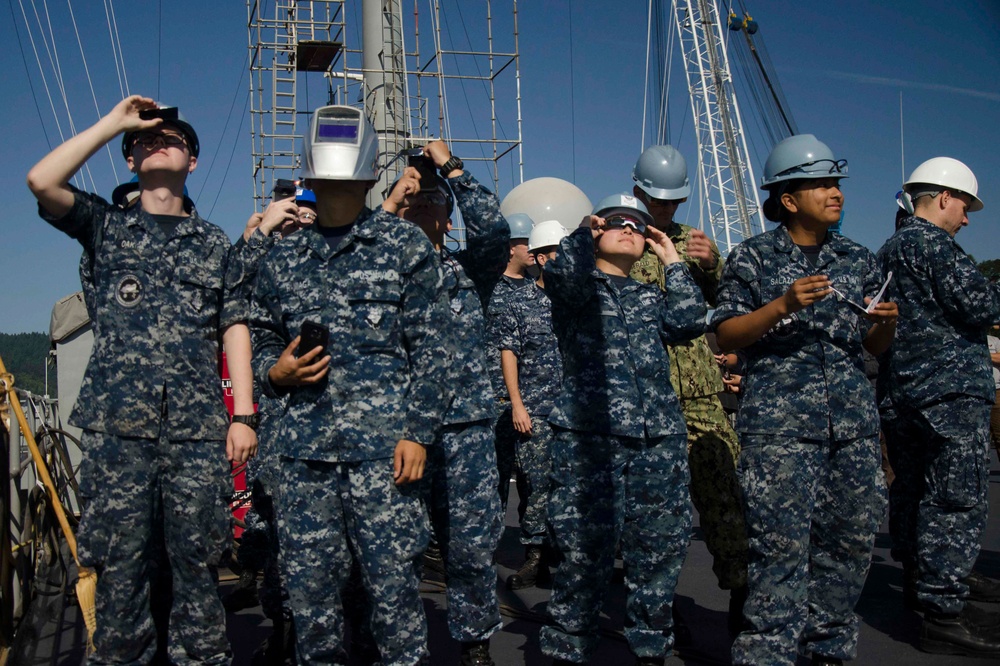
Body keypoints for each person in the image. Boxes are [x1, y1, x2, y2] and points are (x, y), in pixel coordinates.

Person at [26, 96, 258, 664]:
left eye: (173, 138)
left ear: (192, 162)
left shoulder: (215, 245)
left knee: (198, 566)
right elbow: (41, 180)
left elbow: (235, 327)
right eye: (146, 141)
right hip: (118, 433)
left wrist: (244, 415)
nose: (159, 142)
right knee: (121, 567)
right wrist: (113, 124)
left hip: (196, 431)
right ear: (130, 161)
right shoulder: (106, 229)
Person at [249, 105, 452, 665]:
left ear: (368, 177)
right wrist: (274, 372)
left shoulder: (404, 247)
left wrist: (418, 432)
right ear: (310, 176)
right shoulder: (281, 259)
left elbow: (434, 350)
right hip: (303, 460)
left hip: (384, 457)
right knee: (312, 605)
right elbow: (262, 336)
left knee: (394, 598)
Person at [712, 134, 896, 666]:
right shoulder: (754, 255)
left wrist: (884, 327)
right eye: (820, 184)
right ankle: (766, 653)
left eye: (836, 183)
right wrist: (783, 304)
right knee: (779, 553)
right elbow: (724, 334)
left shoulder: (856, 258)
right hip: (781, 431)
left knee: (849, 547)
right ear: (789, 199)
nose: (834, 192)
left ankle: (828, 652)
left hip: (853, 431)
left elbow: (870, 346)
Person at [540, 194, 706, 666]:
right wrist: (581, 233)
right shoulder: (577, 291)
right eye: (617, 222)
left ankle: (650, 650)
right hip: (590, 441)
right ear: (596, 232)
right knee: (583, 556)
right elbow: (558, 274)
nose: (630, 229)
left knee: (658, 553)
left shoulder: (652, 298)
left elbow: (690, 320)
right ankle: (567, 651)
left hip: (657, 442)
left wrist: (673, 260)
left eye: (638, 225)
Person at [877, 156, 1000, 657]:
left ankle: (920, 580)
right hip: (948, 395)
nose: (967, 219)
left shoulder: (889, 249)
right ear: (945, 198)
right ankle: (943, 608)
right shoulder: (935, 247)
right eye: (965, 206)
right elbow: (982, 307)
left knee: (912, 491)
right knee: (955, 499)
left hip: (904, 394)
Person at [394, 140, 507, 666]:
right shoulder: (376, 268)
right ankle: (397, 646)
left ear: (447, 214)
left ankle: (475, 642)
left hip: (465, 431)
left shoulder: (468, 270)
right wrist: (393, 202)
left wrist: (451, 169)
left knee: (469, 548)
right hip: (395, 431)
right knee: (394, 549)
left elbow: (494, 230)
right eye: (413, 199)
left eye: (432, 199)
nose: (421, 204)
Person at [629, 144, 749, 632]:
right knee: (653, 508)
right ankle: (654, 606)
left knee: (725, 491)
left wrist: (713, 265)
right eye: (659, 200)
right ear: (638, 191)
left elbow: (731, 306)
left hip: (700, 388)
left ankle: (743, 593)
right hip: (643, 391)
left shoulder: (694, 242)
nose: (667, 210)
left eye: (674, 202)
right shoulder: (614, 236)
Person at [497, 219, 568, 590]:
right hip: (537, 408)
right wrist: (517, 404)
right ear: (541, 258)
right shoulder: (520, 302)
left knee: (572, 487)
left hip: (574, 412)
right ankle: (535, 557)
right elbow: (509, 353)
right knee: (536, 485)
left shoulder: (578, 299)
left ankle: (570, 556)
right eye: (558, 252)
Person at [488, 212, 535, 514]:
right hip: (495, 396)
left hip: (533, 394)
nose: (533, 249)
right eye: (526, 243)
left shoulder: (539, 287)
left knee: (535, 478)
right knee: (495, 475)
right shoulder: (489, 286)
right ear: (509, 248)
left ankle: (535, 551)